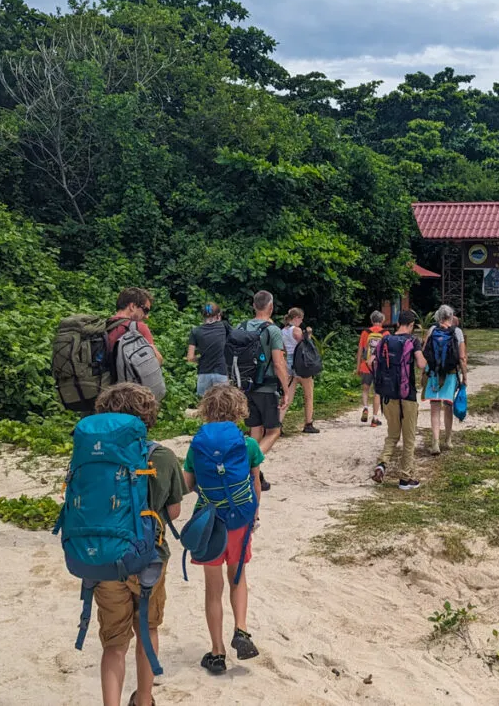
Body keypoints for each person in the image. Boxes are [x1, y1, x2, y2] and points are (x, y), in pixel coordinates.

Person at [91, 384, 185, 706]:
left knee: (114, 645)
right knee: (147, 631)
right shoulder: (162, 456)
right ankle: (144, 699)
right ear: (147, 418)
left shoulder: (92, 456)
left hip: (104, 561)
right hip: (149, 560)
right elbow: (174, 511)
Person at [183, 385, 263, 676]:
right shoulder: (248, 445)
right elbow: (255, 485)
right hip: (239, 521)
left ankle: (217, 652)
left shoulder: (196, 446)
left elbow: (188, 485)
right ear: (238, 411)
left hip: (209, 525)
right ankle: (241, 629)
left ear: (206, 410)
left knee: (212, 589)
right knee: (238, 578)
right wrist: (253, 516)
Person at [371, 310, 428, 490]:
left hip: (388, 396)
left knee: (393, 435)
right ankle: (405, 478)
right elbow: (421, 364)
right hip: (407, 395)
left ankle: (382, 464)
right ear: (411, 325)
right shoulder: (413, 341)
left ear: (397, 323)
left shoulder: (385, 340)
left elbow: (371, 360)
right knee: (409, 438)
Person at [240, 291, 293, 456]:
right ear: (270, 307)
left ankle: (253, 474)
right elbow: (278, 363)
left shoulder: (241, 327)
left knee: (255, 431)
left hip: (246, 386)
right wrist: (285, 390)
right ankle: (248, 465)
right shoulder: (273, 330)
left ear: (254, 306)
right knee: (273, 431)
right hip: (267, 387)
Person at [423, 304, 467, 456]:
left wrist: (424, 372)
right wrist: (465, 377)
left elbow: (425, 352)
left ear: (438, 316)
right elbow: (461, 357)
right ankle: (448, 440)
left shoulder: (432, 330)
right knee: (448, 405)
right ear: (451, 316)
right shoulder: (458, 332)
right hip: (450, 374)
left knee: (435, 408)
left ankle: (435, 443)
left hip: (434, 374)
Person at [280, 307, 319, 434]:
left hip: (290, 363)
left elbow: (284, 349)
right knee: (308, 395)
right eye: (301, 319)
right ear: (296, 318)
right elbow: (305, 343)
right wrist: (309, 333)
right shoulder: (295, 330)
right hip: (302, 363)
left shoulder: (283, 331)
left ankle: (278, 424)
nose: (301, 321)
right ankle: (308, 423)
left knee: (287, 396)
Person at [108, 288, 164, 365]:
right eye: (145, 310)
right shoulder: (139, 327)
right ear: (132, 306)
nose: (146, 316)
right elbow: (156, 360)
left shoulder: (105, 325)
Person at [187, 302, 230, 396]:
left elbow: (190, 357)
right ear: (218, 316)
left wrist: (200, 360)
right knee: (224, 406)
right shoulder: (224, 326)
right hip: (221, 372)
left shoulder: (195, 331)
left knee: (205, 407)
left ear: (202, 316)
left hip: (204, 373)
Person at [356, 311, 388, 427]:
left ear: (371, 320)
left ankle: (365, 407)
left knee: (365, 389)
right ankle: (374, 418)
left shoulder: (365, 332)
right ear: (382, 320)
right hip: (379, 367)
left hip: (366, 365)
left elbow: (360, 350)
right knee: (377, 392)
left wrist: (358, 366)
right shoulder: (385, 333)